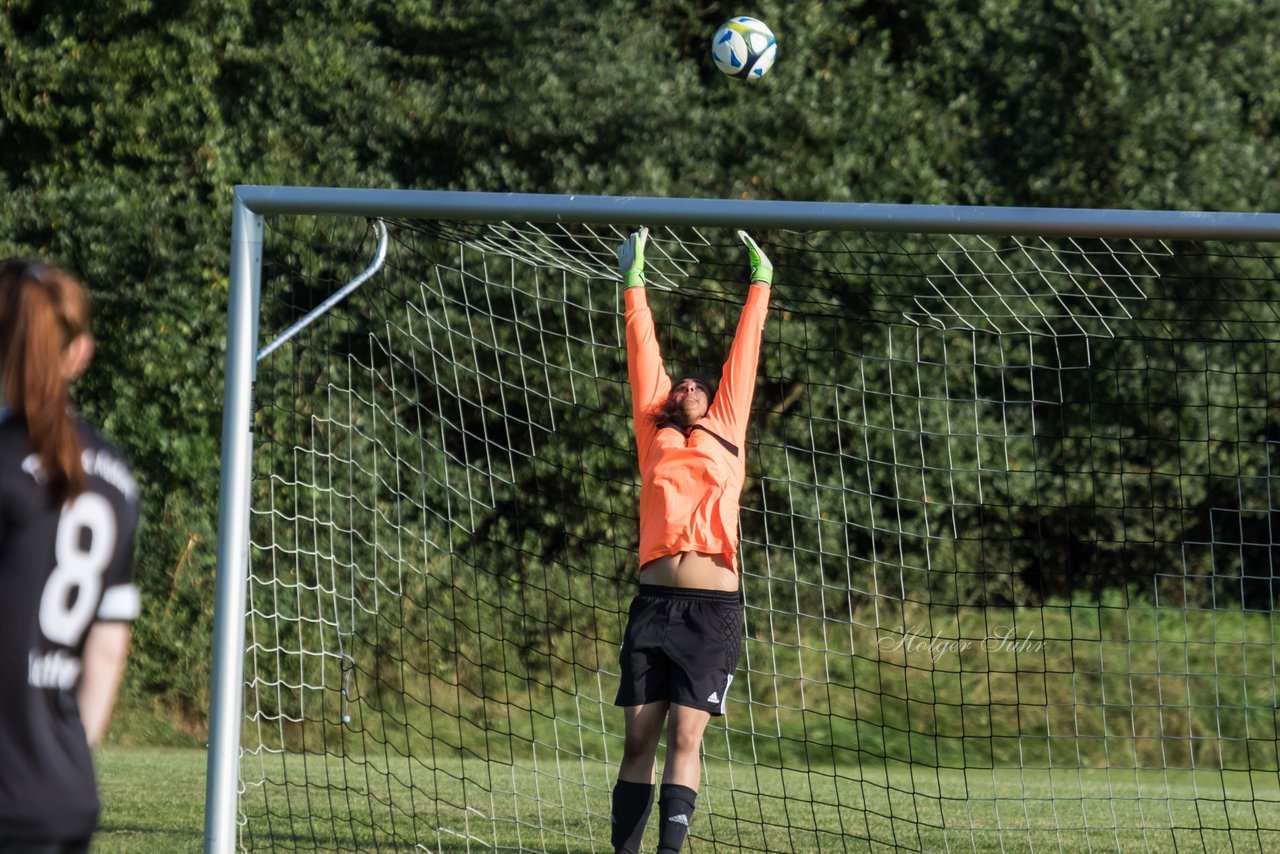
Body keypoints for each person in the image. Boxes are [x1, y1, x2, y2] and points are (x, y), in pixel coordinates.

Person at [610, 228, 772, 854]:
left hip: (712, 611)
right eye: (678, 385)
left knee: (685, 738)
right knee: (638, 739)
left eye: (697, 385)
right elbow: (643, 355)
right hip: (652, 606)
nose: (685, 386)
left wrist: (759, 283)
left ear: (713, 401)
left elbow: (744, 353)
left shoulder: (726, 427)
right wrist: (634, 286)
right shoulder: (655, 434)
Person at [0, 259, 141, 853]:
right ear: (80, 353)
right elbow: (107, 650)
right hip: (63, 794)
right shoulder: (116, 478)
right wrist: (58, 756)